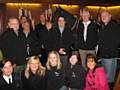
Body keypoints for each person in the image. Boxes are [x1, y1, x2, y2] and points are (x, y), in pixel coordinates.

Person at [98, 10, 120, 89]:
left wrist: (107, 51)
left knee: (110, 78)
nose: (103, 17)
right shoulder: (102, 26)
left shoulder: (115, 26)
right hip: (103, 55)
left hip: (110, 55)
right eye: (102, 16)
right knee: (105, 75)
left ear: (110, 16)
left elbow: (117, 41)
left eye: (105, 15)